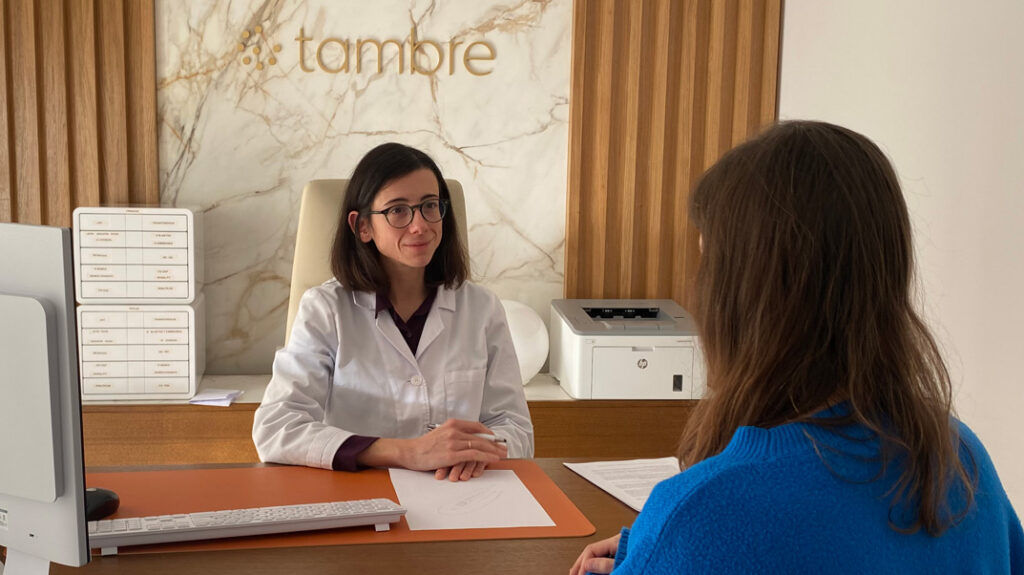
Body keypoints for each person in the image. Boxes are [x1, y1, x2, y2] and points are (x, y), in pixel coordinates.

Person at [571, 121, 1023, 574]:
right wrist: (657, 553)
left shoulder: (710, 512)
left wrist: (665, 549)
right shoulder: (960, 459)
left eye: (708, 263)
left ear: (743, 298)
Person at [253, 143, 533, 482]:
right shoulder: (326, 310)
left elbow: (514, 428)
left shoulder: (482, 308)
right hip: (357, 494)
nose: (420, 226)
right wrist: (407, 453)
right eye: (398, 211)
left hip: (458, 490)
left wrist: (472, 452)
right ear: (363, 227)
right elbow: (276, 428)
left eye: (430, 206)